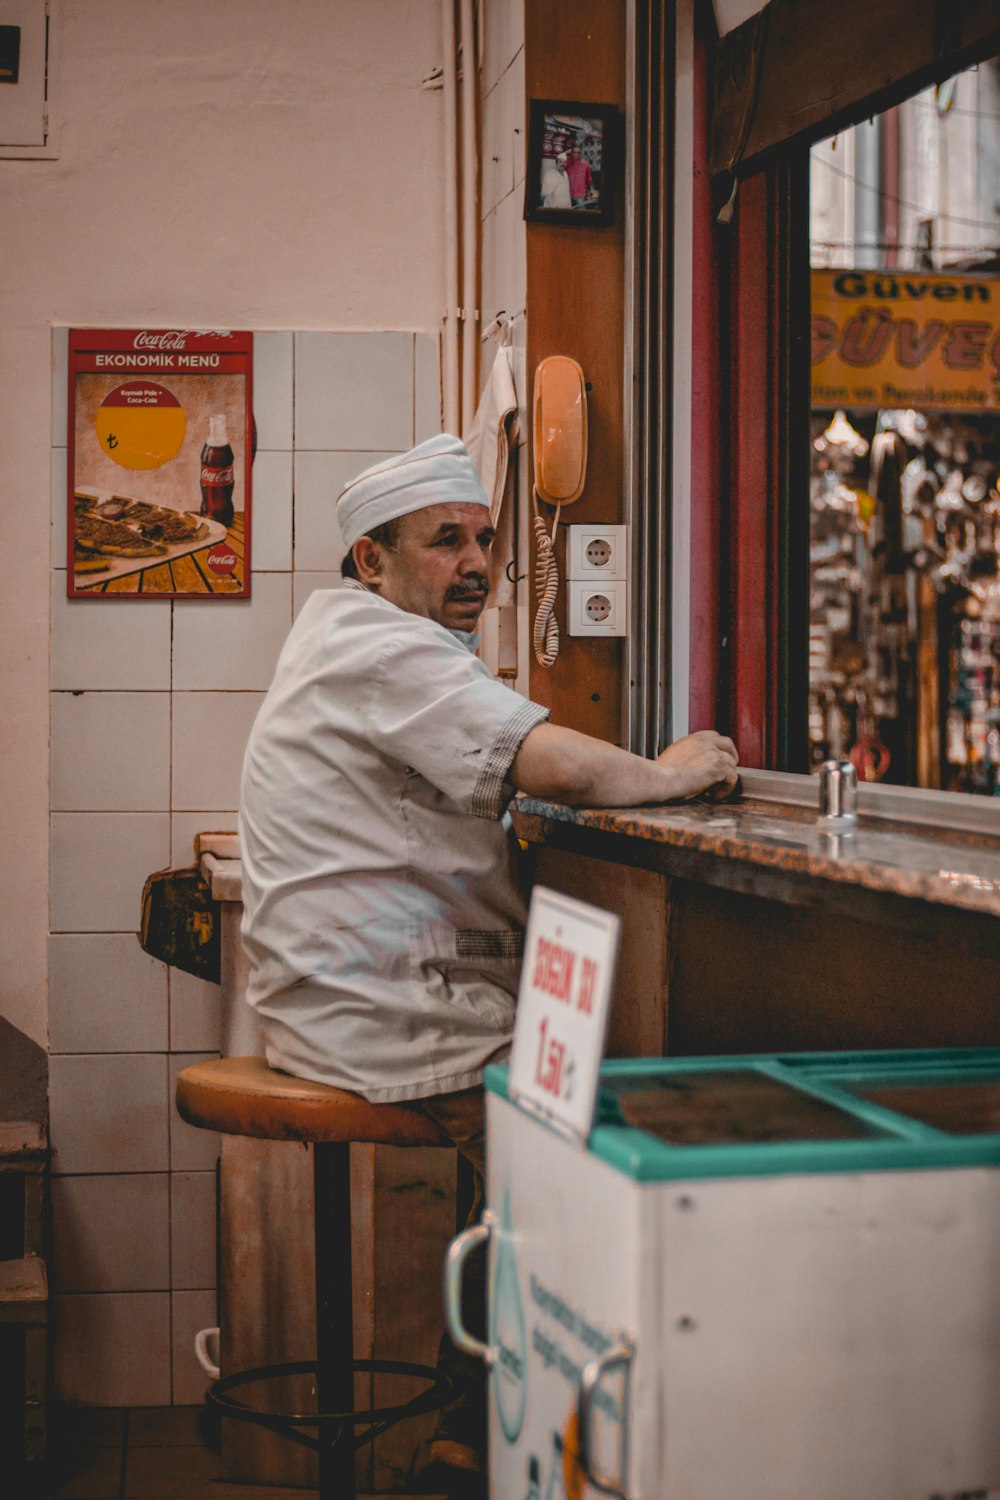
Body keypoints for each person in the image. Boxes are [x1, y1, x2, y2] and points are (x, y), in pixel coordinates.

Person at [239, 434, 739, 1494]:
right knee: (570, 1154)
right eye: (443, 543)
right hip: (375, 1006)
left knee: (526, 1163)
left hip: (345, 994)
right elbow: (546, 757)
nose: (475, 563)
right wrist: (669, 772)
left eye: (485, 540)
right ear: (370, 562)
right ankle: (505, 1448)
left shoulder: (359, 639)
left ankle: (469, 1436)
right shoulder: (384, 645)